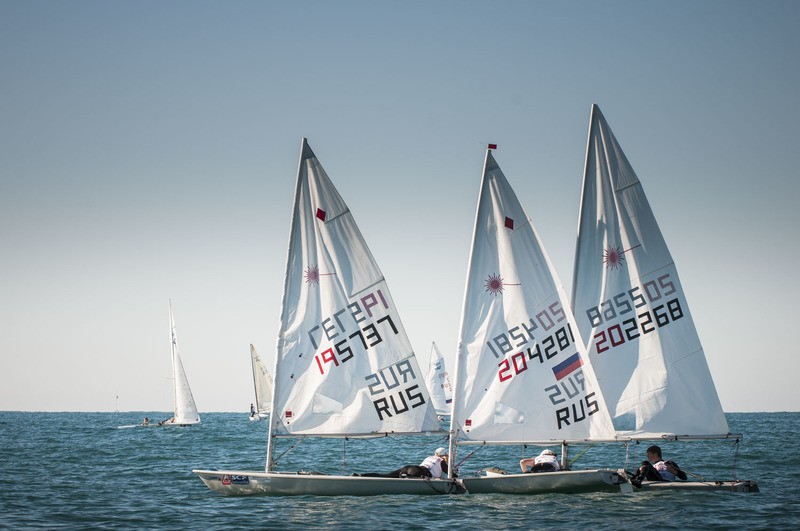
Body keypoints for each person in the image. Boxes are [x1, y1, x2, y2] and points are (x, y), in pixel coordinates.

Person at [357, 447, 449, 478]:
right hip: (419, 472)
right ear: (444, 455)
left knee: (387, 476)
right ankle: (406, 476)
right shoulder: (441, 461)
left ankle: (361, 475)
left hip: (410, 467)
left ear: (436, 453)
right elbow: (451, 474)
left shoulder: (429, 457)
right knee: (405, 477)